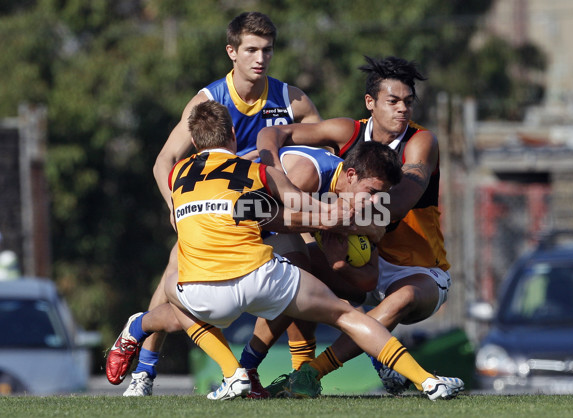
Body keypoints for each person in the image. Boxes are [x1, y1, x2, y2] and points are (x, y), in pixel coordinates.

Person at [107, 100, 464, 401]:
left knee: (174, 287)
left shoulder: (178, 174)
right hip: (256, 271)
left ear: (197, 143)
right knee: (338, 308)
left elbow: (240, 211)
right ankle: (427, 381)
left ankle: (162, 338)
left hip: (203, 286)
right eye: (371, 193)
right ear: (233, 136)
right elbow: (278, 207)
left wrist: (337, 238)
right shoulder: (270, 169)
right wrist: (329, 220)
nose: (373, 201)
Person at [107, 11, 321, 396]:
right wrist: (175, 206)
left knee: (309, 264)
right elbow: (163, 160)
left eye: (267, 50)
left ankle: (282, 371)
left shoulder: (293, 100)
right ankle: (144, 371)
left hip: (264, 210)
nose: (261, 58)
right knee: (173, 275)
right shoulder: (210, 99)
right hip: (217, 212)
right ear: (232, 52)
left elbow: (320, 158)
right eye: (252, 49)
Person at [254, 55, 455, 397]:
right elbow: (273, 132)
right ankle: (256, 371)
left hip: (417, 271)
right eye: (392, 101)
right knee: (296, 271)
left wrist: (333, 216)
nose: (402, 109)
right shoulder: (348, 131)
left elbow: (399, 202)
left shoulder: (422, 142)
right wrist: (271, 169)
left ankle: (314, 372)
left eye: (408, 101)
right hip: (362, 258)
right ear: (370, 102)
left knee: (401, 298)